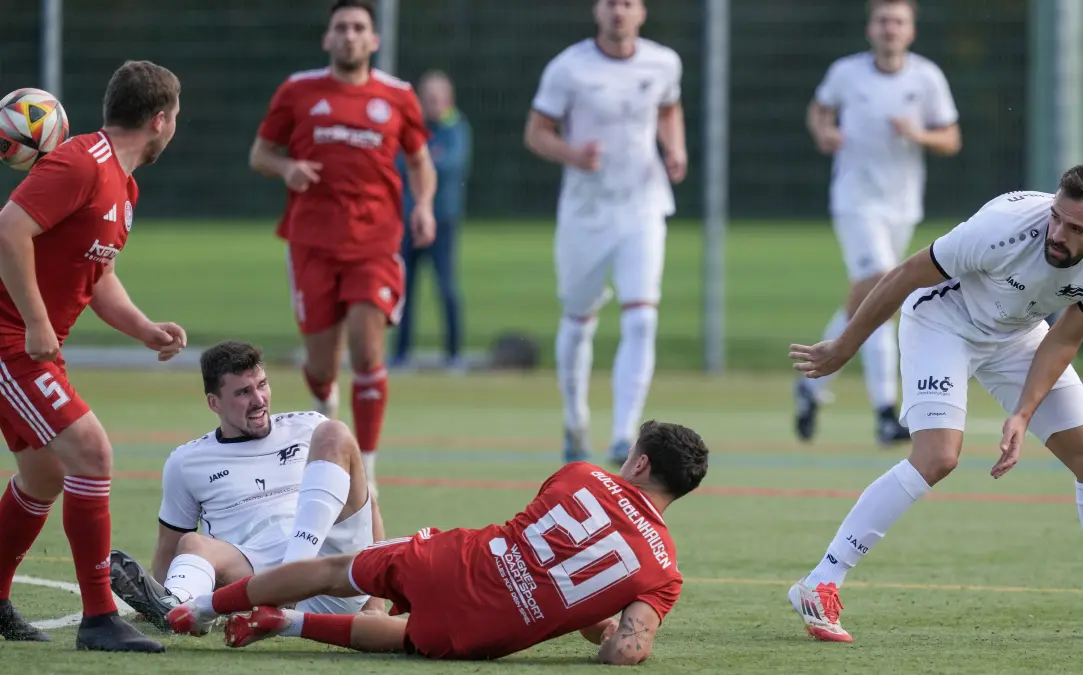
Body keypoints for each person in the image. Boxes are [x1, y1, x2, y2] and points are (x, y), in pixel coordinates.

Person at [786, 163, 1083, 642]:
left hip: (1018, 337)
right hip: (944, 323)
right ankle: (820, 582)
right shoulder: (1002, 229)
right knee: (937, 457)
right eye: (1057, 218)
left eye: (1076, 228)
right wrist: (845, 345)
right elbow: (903, 276)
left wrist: (1022, 414)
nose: (1058, 232)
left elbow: (1063, 339)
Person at [165, 420, 708, 664]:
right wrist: (605, 633)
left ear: (638, 463)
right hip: (484, 632)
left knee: (338, 569)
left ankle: (203, 607)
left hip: (454, 561)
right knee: (409, 638)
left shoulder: (583, 474)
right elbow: (623, 650)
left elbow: (550, 545)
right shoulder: (663, 573)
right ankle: (291, 623)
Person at [0, 60, 185, 652]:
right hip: (10, 343)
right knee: (91, 451)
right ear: (160, 120)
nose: (174, 128)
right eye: (175, 118)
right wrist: (34, 323)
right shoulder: (82, 161)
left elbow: (98, 276)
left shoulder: (123, 188)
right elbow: (8, 229)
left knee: (44, 475)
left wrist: (145, 329)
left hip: (32, 346)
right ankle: (100, 618)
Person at [248, 0, 436, 495]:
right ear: (327, 39)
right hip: (311, 241)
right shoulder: (299, 91)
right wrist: (287, 168)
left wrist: (424, 206)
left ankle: (366, 466)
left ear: (373, 40)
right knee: (322, 364)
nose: (350, 35)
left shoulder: (398, 96)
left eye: (359, 28)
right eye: (341, 28)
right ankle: (328, 411)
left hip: (374, 242)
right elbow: (261, 153)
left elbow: (419, 160)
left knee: (368, 351)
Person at [107, 340, 381, 635]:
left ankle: (292, 573)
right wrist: (165, 589)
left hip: (329, 573)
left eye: (262, 385)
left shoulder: (308, 426)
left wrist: (375, 604)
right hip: (255, 585)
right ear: (215, 403)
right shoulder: (187, 461)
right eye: (243, 392)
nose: (259, 399)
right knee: (191, 544)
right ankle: (177, 607)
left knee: (334, 431)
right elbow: (168, 548)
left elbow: (365, 508)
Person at [524, 0, 687, 465]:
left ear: (642, 12)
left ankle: (622, 434)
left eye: (629, 3)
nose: (620, 11)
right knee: (579, 318)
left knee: (642, 316)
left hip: (643, 206)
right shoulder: (569, 67)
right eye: (611, 3)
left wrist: (674, 148)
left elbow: (669, 109)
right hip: (585, 213)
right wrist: (572, 154)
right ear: (598, 11)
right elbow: (536, 132)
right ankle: (576, 420)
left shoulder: (663, 62)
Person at [795, 0, 961, 446]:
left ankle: (811, 384)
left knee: (866, 299)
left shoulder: (925, 77)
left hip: (902, 206)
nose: (891, 28)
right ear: (870, 29)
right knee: (885, 289)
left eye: (899, 22)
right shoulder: (847, 72)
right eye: (883, 20)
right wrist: (823, 133)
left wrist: (918, 134)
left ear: (911, 31)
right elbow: (819, 110)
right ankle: (887, 411)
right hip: (855, 200)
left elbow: (950, 138)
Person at [391, 70, 471, 372]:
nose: (433, 104)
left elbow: (452, 164)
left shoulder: (456, 126)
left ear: (448, 100)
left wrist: (422, 159)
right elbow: (399, 161)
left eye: (438, 98)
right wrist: (424, 159)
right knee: (403, 289)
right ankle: (400, 354)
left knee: (447, 288)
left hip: (443, 221)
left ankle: (453, 354)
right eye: (428, 98)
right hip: (407, 221)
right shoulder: (410, 126)